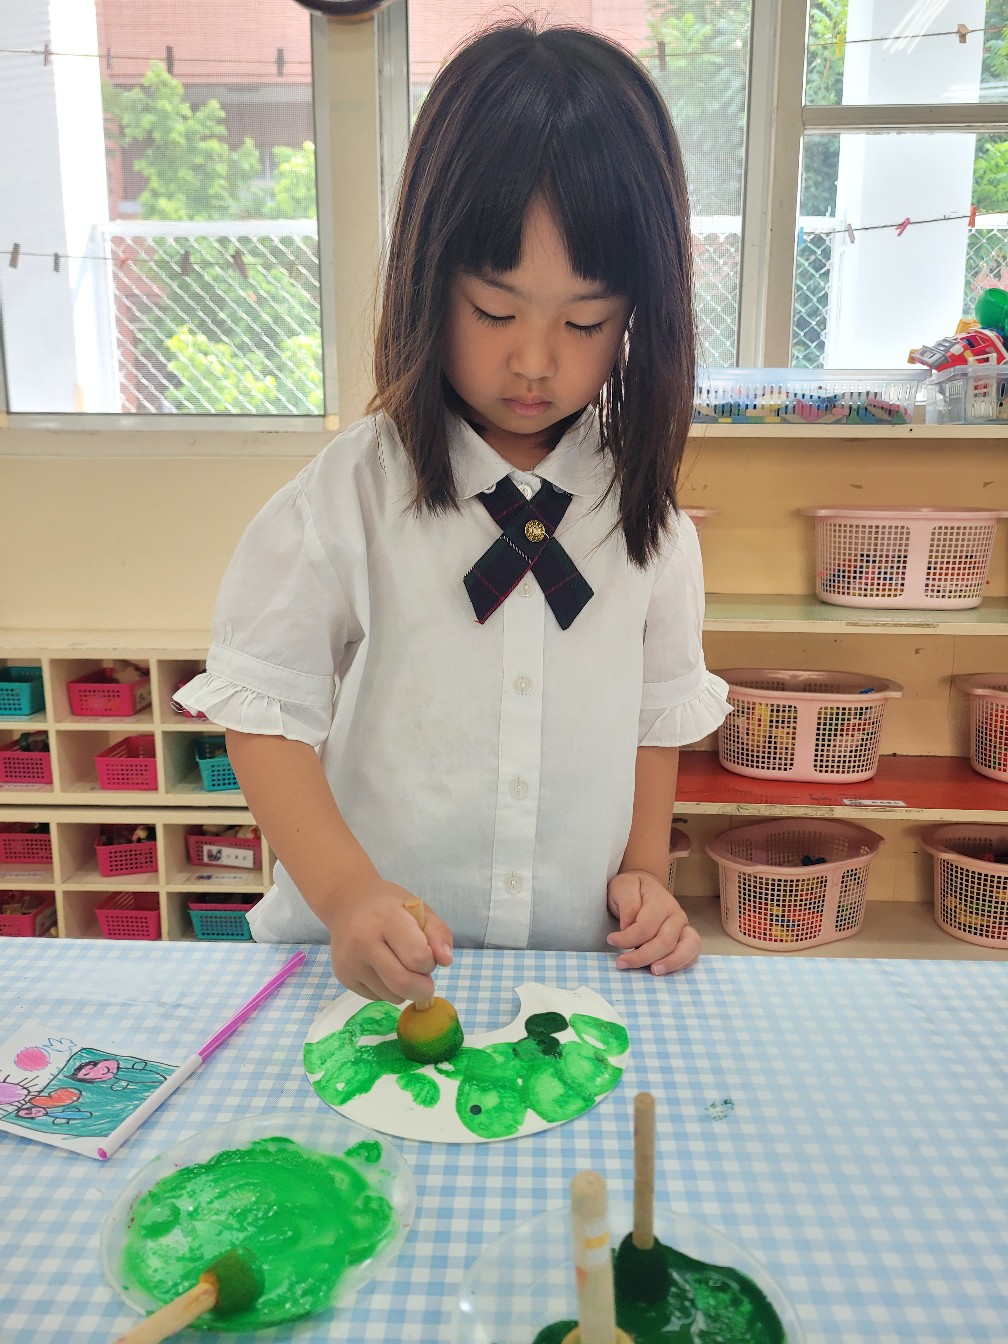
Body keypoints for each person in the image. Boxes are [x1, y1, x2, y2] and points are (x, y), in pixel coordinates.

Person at [176, 19, 731, 1005]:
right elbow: (264, 713)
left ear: (638, 316)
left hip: (561, 978)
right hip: (358, 979)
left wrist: (646, 872)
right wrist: (346, 894)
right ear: (430, 280)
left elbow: (656, 717)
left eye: (586, 322)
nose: (535, 360)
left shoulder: (646, 523)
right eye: (494, 311)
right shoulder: (353, 494)